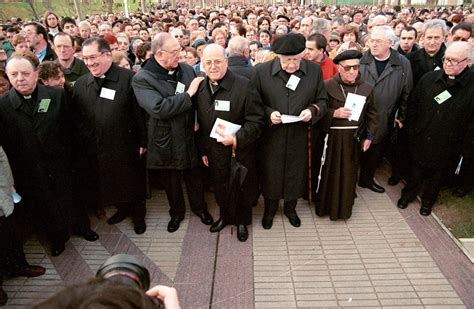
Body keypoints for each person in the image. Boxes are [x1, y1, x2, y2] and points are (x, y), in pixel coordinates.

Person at [0, 56, 97, 256]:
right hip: (30, 170)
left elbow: (73, 128)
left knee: (73, 197)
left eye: (25, 73)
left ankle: (82, 227)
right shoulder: (3, 106)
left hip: (63, 163)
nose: (20, 79)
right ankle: (57, 238)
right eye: (14, 74)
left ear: (36, 74)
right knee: (44, 205)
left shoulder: (56, 96)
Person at [132, 33, 213, 233]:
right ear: (159, 54)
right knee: (172, 180)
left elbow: (198, 103)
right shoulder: (143, 78)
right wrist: (188, 94)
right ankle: (176, 213)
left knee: (194, 175)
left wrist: (196, 120)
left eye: (181, 50)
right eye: (175, 52)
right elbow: (159, 108)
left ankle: (200, 209)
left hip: (189, 134)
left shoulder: (186, 70)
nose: (181, 55)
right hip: (165, 138)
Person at [72, 38, 147, 234]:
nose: (89, 63)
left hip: (126, 144)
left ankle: (139, 216)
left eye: (93, 57)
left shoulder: (129, 78)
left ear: (107, 55)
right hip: (98, 147)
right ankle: (122, 209)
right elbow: (78, 117)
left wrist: (142, 141)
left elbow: (139, 113)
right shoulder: (80, 85)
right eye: (85, 58)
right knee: (112, 182)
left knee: (132, 181)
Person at [252, 32, 328, 229]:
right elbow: (254, 104)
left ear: (303, 54)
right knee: (271, 172)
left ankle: (290, 208)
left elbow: (322, 101)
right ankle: (270, 208)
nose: (292, 65)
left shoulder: (313, 71)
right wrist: (269, 114)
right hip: (272, 135)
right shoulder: (261, 72)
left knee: (296, 172)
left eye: (296, 59)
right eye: (287, 61)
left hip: (300, 134)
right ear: (277, 56)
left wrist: (312, 111)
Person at [194, 44, 264, 241]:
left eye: (217, 61)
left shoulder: (244, 85)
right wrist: (203, 151)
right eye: (208, 63)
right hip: (213, 151)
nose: (213, 66)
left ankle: (242, 222)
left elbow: (257, 121)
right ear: (202, 65)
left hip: (239, 150)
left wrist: (236, 138)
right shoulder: (201, 87)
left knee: (241, 187)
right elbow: (201, 124)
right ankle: (225, 216)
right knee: (220, 185)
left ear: (226, 61)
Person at [397, 41, 474, 216]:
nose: (448, 63)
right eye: (447, 59)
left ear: (467, 62)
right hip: (422, 136)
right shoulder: (429, 79)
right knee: (415, 171)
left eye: (454, 61)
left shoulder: (471, 87)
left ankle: (428, 201)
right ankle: (408, 195)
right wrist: (412, 130)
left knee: (437, 175)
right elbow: (413, 105)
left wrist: (465, 146)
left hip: (449, 142)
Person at [314, 50, 378, 220]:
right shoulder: (327, 85)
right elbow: (317, 110)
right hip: (332, 138)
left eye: (356, 67)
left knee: (349, 174)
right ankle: (325, 207)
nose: (352, 71)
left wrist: (369, 136)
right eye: (348, 68)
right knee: (330, 172)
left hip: (353, 139)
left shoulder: (367, 87)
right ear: (339, 68)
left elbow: (373, 114)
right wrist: (333, 113)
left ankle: (343, 209)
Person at [358, 26, 412, 193]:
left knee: (375, 150)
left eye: (378, 41)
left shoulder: (402, 63)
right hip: (359, 113)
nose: (373, 45)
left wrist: (401, 117)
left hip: (383, 115)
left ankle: (366, 180)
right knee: (355, 148)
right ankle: (350, 181)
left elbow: (406, 92)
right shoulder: (361, 60)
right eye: (371, 41)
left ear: (390, 42)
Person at [1, 146, 46, 306]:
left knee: (11, 232)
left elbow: (2, 157)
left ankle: (18, 266)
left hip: (2, 193)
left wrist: (10, 184)